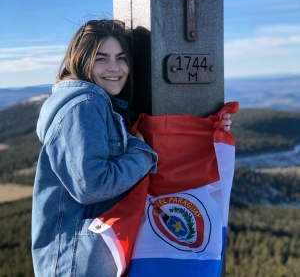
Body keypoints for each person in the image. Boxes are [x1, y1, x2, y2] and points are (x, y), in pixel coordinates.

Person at [31, 19, 232, 277]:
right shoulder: (83, 105)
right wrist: (140, 155)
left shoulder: (103, 104)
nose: (115, 68)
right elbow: (91, 185)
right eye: (101, 58)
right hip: (79, 263)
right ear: (82, 60)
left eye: (121, 58)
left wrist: (211, 126)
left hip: (91, 257)